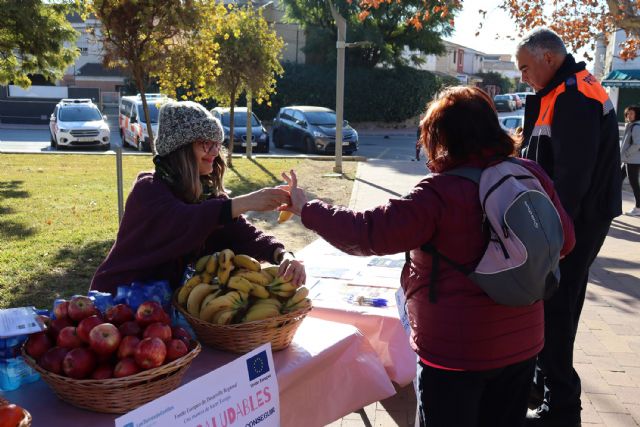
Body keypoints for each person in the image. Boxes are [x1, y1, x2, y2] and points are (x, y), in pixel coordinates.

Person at [279, 86, 575, 427]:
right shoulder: (530, 174)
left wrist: (306, 208)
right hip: (523, 343)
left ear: (442, 136)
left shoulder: (438, 195)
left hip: (455, 353)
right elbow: (566, 241)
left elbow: (367, 232)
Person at [516, 28, 622, 426]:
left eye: (526, 67)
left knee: (557, 310)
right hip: (575, 220)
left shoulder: (574, 95)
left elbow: (573, 179)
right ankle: (547, 393)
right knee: (555, 308)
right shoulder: (563, 91)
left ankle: (559, 408)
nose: (523, 76)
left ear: (548, 58)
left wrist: (553, 237)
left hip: (574, 224)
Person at [90, 101, 305, 295]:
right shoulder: (148, 191)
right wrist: (244, 202)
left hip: (158, 313)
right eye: (205, 142)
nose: (214, 151)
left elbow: (244, 234)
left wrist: (283, 255)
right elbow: (182, 222)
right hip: (115, 303)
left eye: (216, 143)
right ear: (180, 148)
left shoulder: (206, 194)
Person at [620, 105, 640, 216]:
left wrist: (626, 153)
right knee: (617, 180)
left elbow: (637, 144)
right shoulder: (631, 125)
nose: (629, 115)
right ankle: (614, 203)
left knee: (634, 183)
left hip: (633, 160)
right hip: (629, 160)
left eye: (632, 113)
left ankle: (638, 207)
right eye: (628, 113)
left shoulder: (636, 127)